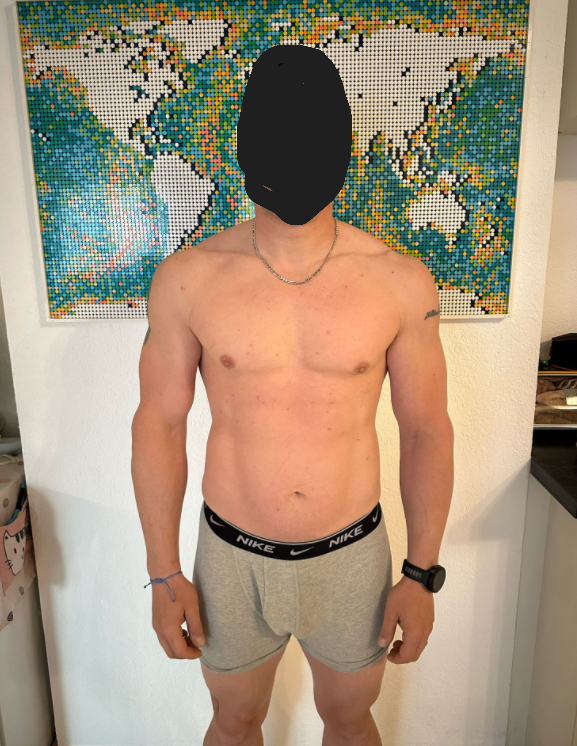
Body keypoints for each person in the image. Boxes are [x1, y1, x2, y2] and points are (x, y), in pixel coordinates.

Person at [132, 44, 454, 746]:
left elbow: (427, 427)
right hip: (231, 556)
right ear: (247, 148)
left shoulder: (399, 282)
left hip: (352, 555)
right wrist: (162, 574)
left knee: (349, 721)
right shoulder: (189, 279)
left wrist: (421, 572)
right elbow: (158, 423)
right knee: (234, 722)